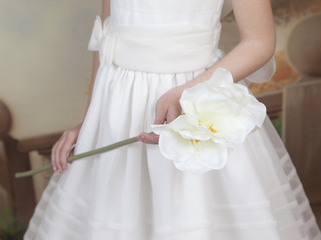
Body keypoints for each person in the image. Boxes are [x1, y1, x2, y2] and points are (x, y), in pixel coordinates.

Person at [24, 0, 321, 239]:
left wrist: (186, 94)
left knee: (187, 213)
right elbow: (106, 36)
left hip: (189, 101)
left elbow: (259, 42)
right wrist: (88, 120)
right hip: (115, 113)